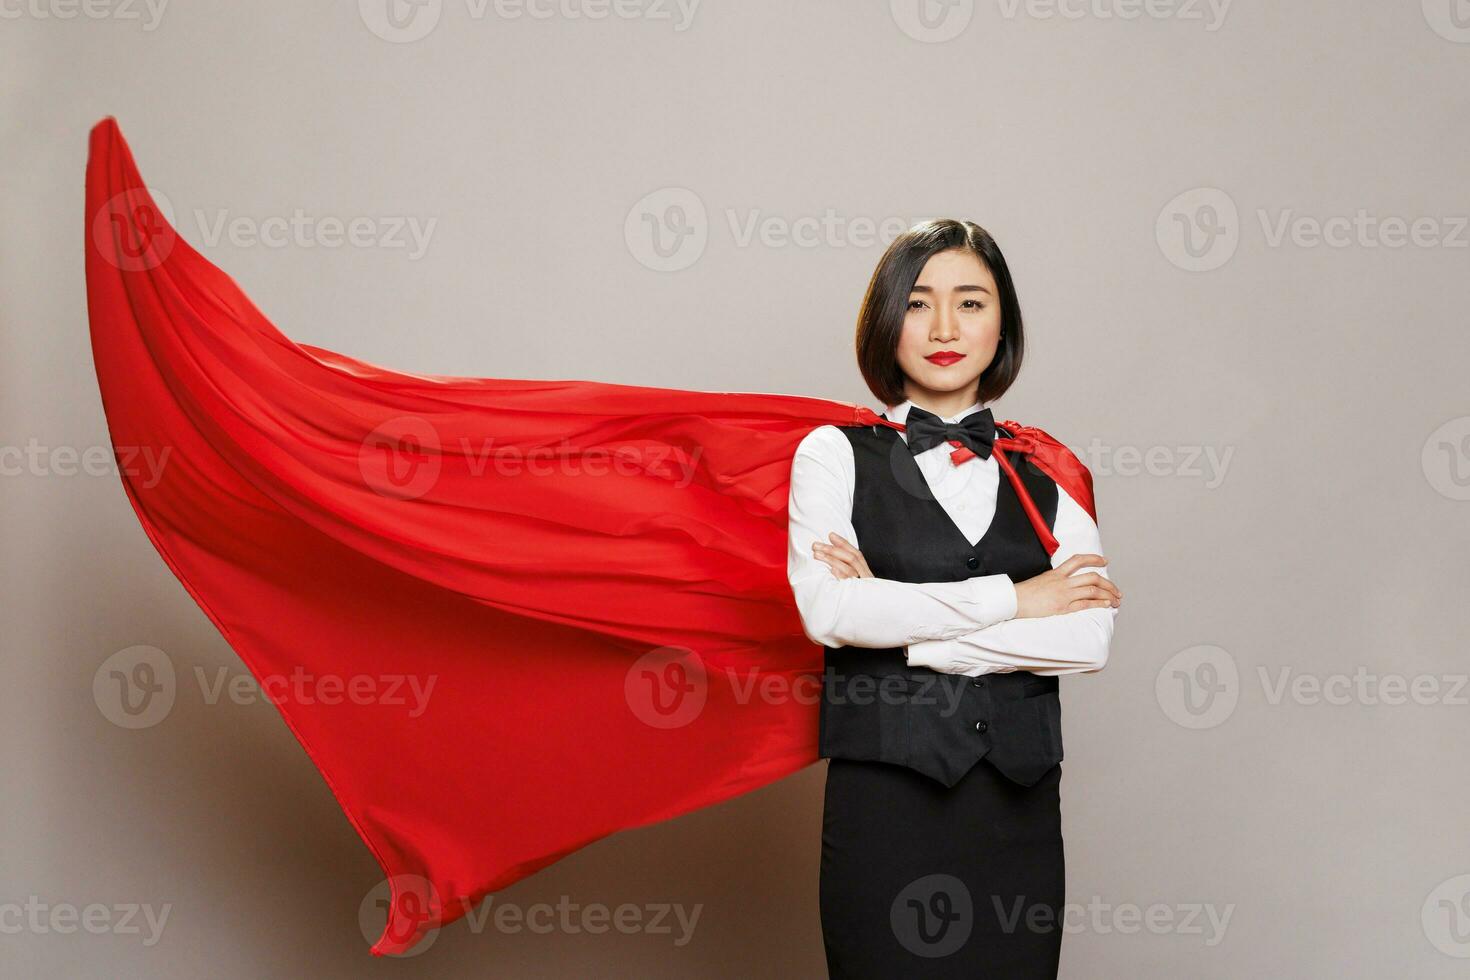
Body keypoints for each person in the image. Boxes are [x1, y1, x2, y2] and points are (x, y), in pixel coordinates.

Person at [785, 219, 1122, 978]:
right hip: (886, 810)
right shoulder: (832, 453)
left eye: (971, 303)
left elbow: (1088, 640)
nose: (944, 327)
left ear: (1002, 322)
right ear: (886, 319)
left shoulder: (1050, 469)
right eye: (917, 302)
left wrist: (899, 622)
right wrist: (1019, 598)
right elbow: (829, 614)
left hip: (1018, 816)